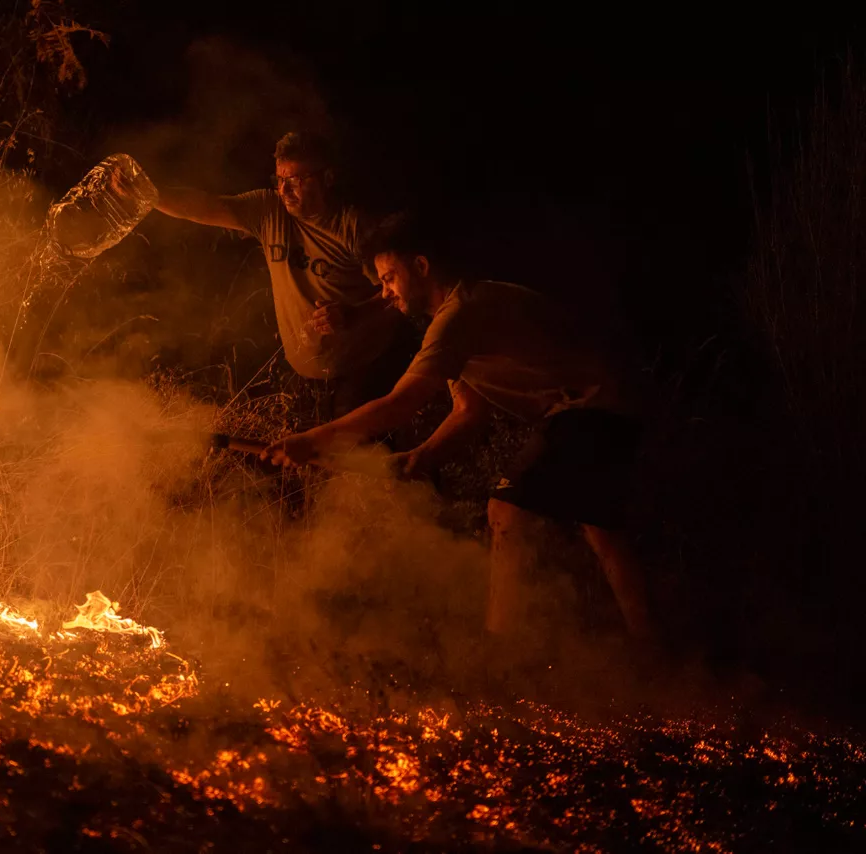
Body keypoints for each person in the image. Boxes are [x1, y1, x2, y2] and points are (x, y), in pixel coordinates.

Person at [261, 212, 655, 640]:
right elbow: (469, 411)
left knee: (506, 509)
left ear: (422, 266)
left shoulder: (459, 315)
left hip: (592, 404)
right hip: (606, 405)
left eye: (390, 277)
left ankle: (503, 648)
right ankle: (653, 652)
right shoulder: (453, 318)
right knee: (603, 532)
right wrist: (423, 456)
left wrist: (313, 439)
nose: (386, 292)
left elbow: (401, 402)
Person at [150, 132, 415, 422]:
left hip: (360, 370)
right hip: (303, 373)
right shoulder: (268, 211)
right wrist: (146, 192)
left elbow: (403, 293)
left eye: (296, 181)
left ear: (327, 178)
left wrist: (354, 314)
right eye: (279, 180)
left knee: (360, 457)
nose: (284, 190)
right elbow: (201, 206)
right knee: (307, 460)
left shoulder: (353, 227)